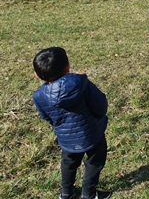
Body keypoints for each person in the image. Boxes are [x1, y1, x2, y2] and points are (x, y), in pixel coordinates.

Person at [32, 47, 111, 199]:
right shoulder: (83, 83)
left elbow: (46, 116)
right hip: (93, 134)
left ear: (37, 74)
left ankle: (66, 193)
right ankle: (88, 194)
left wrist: (59, 126)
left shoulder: (38, 96)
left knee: (68, 164)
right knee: (95, 162)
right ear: (67, 66)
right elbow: (100, 105)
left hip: (66, 138)